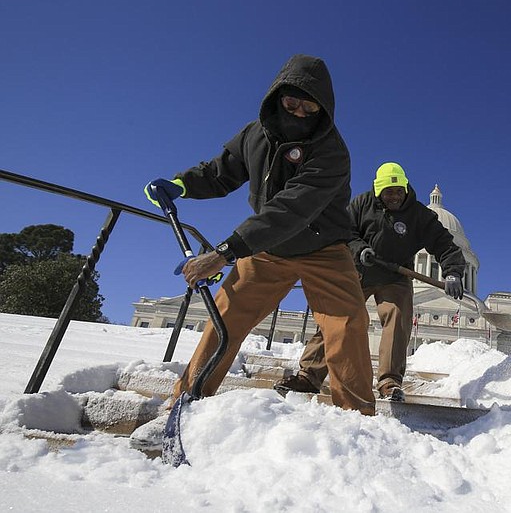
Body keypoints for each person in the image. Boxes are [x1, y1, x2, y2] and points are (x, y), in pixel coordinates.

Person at [144, 54, 375, 416]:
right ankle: (186, 400)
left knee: (347, 324)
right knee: (227, 316)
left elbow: (291, 209)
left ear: (323, 107)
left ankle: (358, 418)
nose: (299, 112)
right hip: (268, 249)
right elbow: (221, 172)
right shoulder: (255, 134)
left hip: (324, 248)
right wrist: (180, 185)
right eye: (291, 102)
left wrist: (223, 252)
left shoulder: (332, 152)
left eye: (309, 105)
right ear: (277, 97)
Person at [276, 162, 465, 401]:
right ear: (378, 191)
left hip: (396, 276)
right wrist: (359, 249)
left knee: (398, 318)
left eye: (399, 191)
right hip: (359, 271)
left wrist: (452, 272)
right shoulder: (361, 204)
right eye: (389, 192)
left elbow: (444, 244)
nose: (395, 196)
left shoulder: (419, 215)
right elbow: (344, 230)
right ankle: (309, 376)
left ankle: (389, 382)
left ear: (405, 189)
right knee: (337, 318)